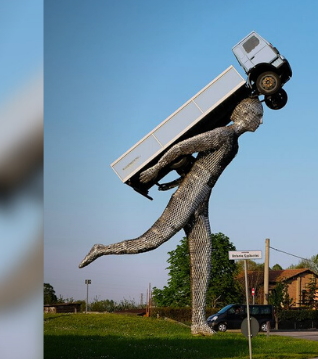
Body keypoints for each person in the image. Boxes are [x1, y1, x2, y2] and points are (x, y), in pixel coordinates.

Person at [78, 97, 264, 336]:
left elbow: (202, 168)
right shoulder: (223, 135)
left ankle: (198, 323)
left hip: (201, 200)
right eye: (258, 115)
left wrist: (173, 181)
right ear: (245, 114)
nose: (261, 121)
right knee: (150, 241)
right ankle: (101, 248)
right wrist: (156, 170)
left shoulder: (234, 145)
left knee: (203, 260)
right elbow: (181, 148)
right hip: (188, 198)